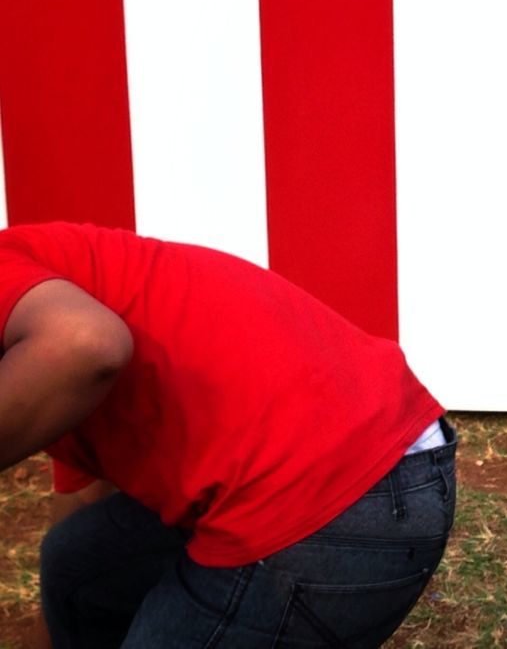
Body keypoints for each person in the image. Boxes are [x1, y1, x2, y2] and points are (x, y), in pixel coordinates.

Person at [0, 220, 455, 648]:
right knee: (75, 560)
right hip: (389, 462)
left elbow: (84, 344)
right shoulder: (48, 300)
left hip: (336, 493)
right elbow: (83, 500)